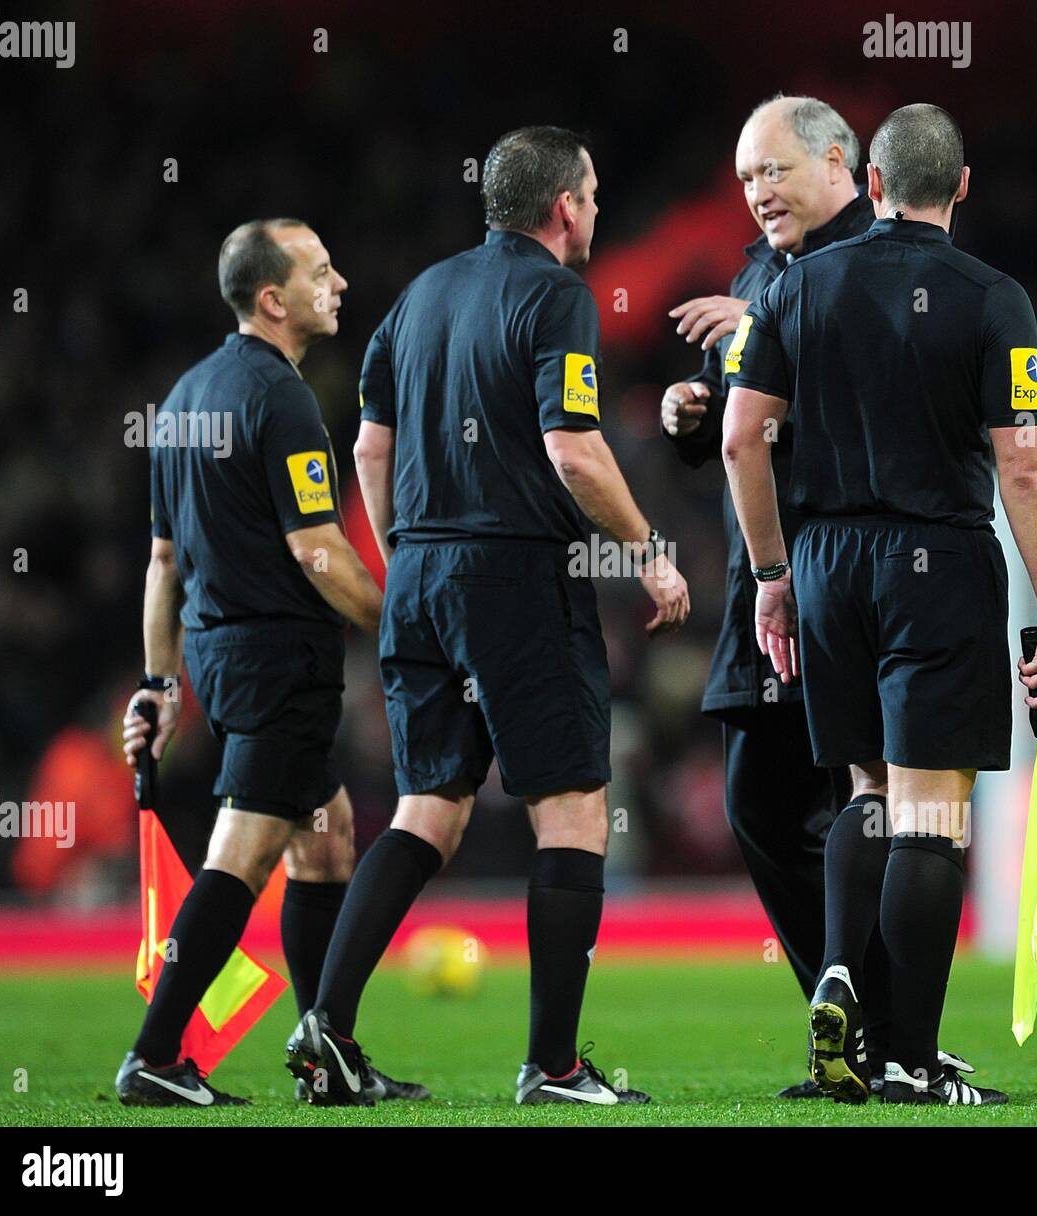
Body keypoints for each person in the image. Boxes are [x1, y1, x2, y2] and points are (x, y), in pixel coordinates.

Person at [287, 126, 690, 1107]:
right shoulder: (556, 295)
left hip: (419, 573)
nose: (593, 212)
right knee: (574, 809)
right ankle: (552, 1066)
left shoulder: (418, 296)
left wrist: (409, 555)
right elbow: (575, 450)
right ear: (562, 206)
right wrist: (647, 550)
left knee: (429, 807)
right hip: (512, 575)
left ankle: (325, 1030)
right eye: (589, 196)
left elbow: (368, 453)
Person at [723, 104, 1037, 1106]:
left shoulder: (796, 286)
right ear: (960, 186)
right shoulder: (993, 297)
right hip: (938, 556)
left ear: (869, 183)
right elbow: (1023, 462)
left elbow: (741, 438)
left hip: (829, 560)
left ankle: (842, 994)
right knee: (930, 812)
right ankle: (909, 1060)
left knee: (867, 793)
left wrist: (772, 575)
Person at [662, 94, 969, 1099]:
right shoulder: (765, 274)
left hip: (841, 577)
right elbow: (750, 418)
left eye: (771, 172)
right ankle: (856, 1018)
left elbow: (878, 377)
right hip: (773, 579)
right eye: (745, 179)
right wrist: (698, 397)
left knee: (868, 793)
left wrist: (759, 330)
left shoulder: (878, 262)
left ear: (842, 161)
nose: (756, 194)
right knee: (765, 803)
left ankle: (885, 1030)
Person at [116, 220, 425, 1107]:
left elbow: (163, 565)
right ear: (272, 299)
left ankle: (327, 1052)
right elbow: (319, 552)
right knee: (242, 855)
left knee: (324, 841)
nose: (340, 283)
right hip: (280, 657)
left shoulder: (183, 399)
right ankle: (155, 1055)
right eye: (321, 272)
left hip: (222, 657)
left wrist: (160, 683)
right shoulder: (281, 398)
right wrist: (404, 628)